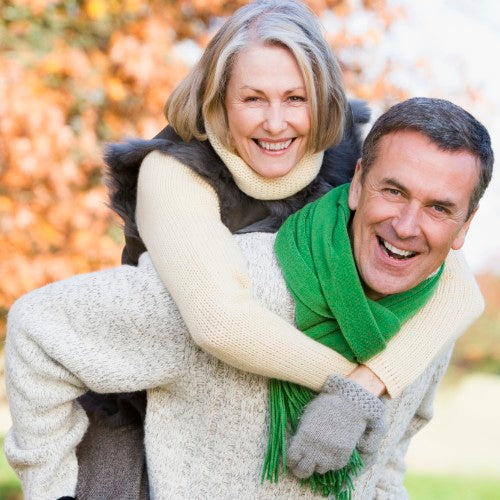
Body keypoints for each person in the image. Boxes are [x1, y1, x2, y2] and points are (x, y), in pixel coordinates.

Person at [5, 97, 492, 499]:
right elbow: (37, 330)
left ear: (464, 227)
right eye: (393, 191)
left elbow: (385, 462)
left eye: (438, 207)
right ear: (358, 184)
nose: (406, 226)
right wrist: (52, 492)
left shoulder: (429, 323)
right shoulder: (239, 279)